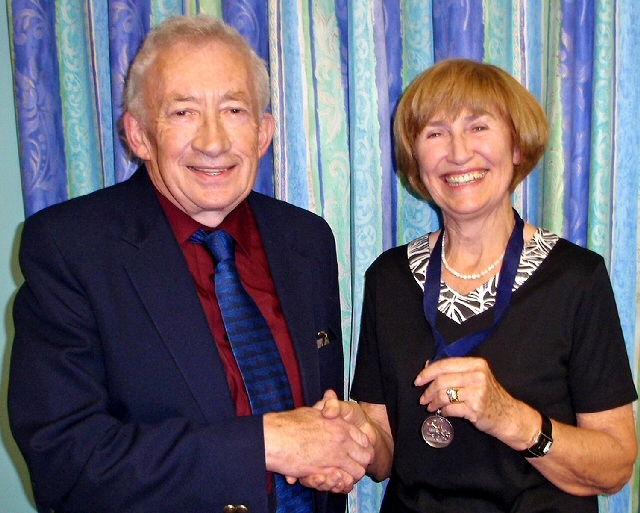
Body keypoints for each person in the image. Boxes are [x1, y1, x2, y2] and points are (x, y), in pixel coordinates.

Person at [7, 15, 373, 513]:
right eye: (183, 112)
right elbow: (64, 462)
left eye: (235, 110)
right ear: (138, 135)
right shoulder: (71, 249)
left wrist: (334, 442)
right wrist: (267, 444)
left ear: (264, 133)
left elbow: (314, 412)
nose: (213, 141)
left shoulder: (306, 239)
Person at [307, 58, 638, 511]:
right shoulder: (388, 279)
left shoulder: (576, 279)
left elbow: (616, 466)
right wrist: (354, 433)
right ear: (415, 161)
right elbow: (384, 455)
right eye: (435, 133)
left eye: (478, 127)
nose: (458, 153)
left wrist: (511, 418)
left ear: (518, 147)